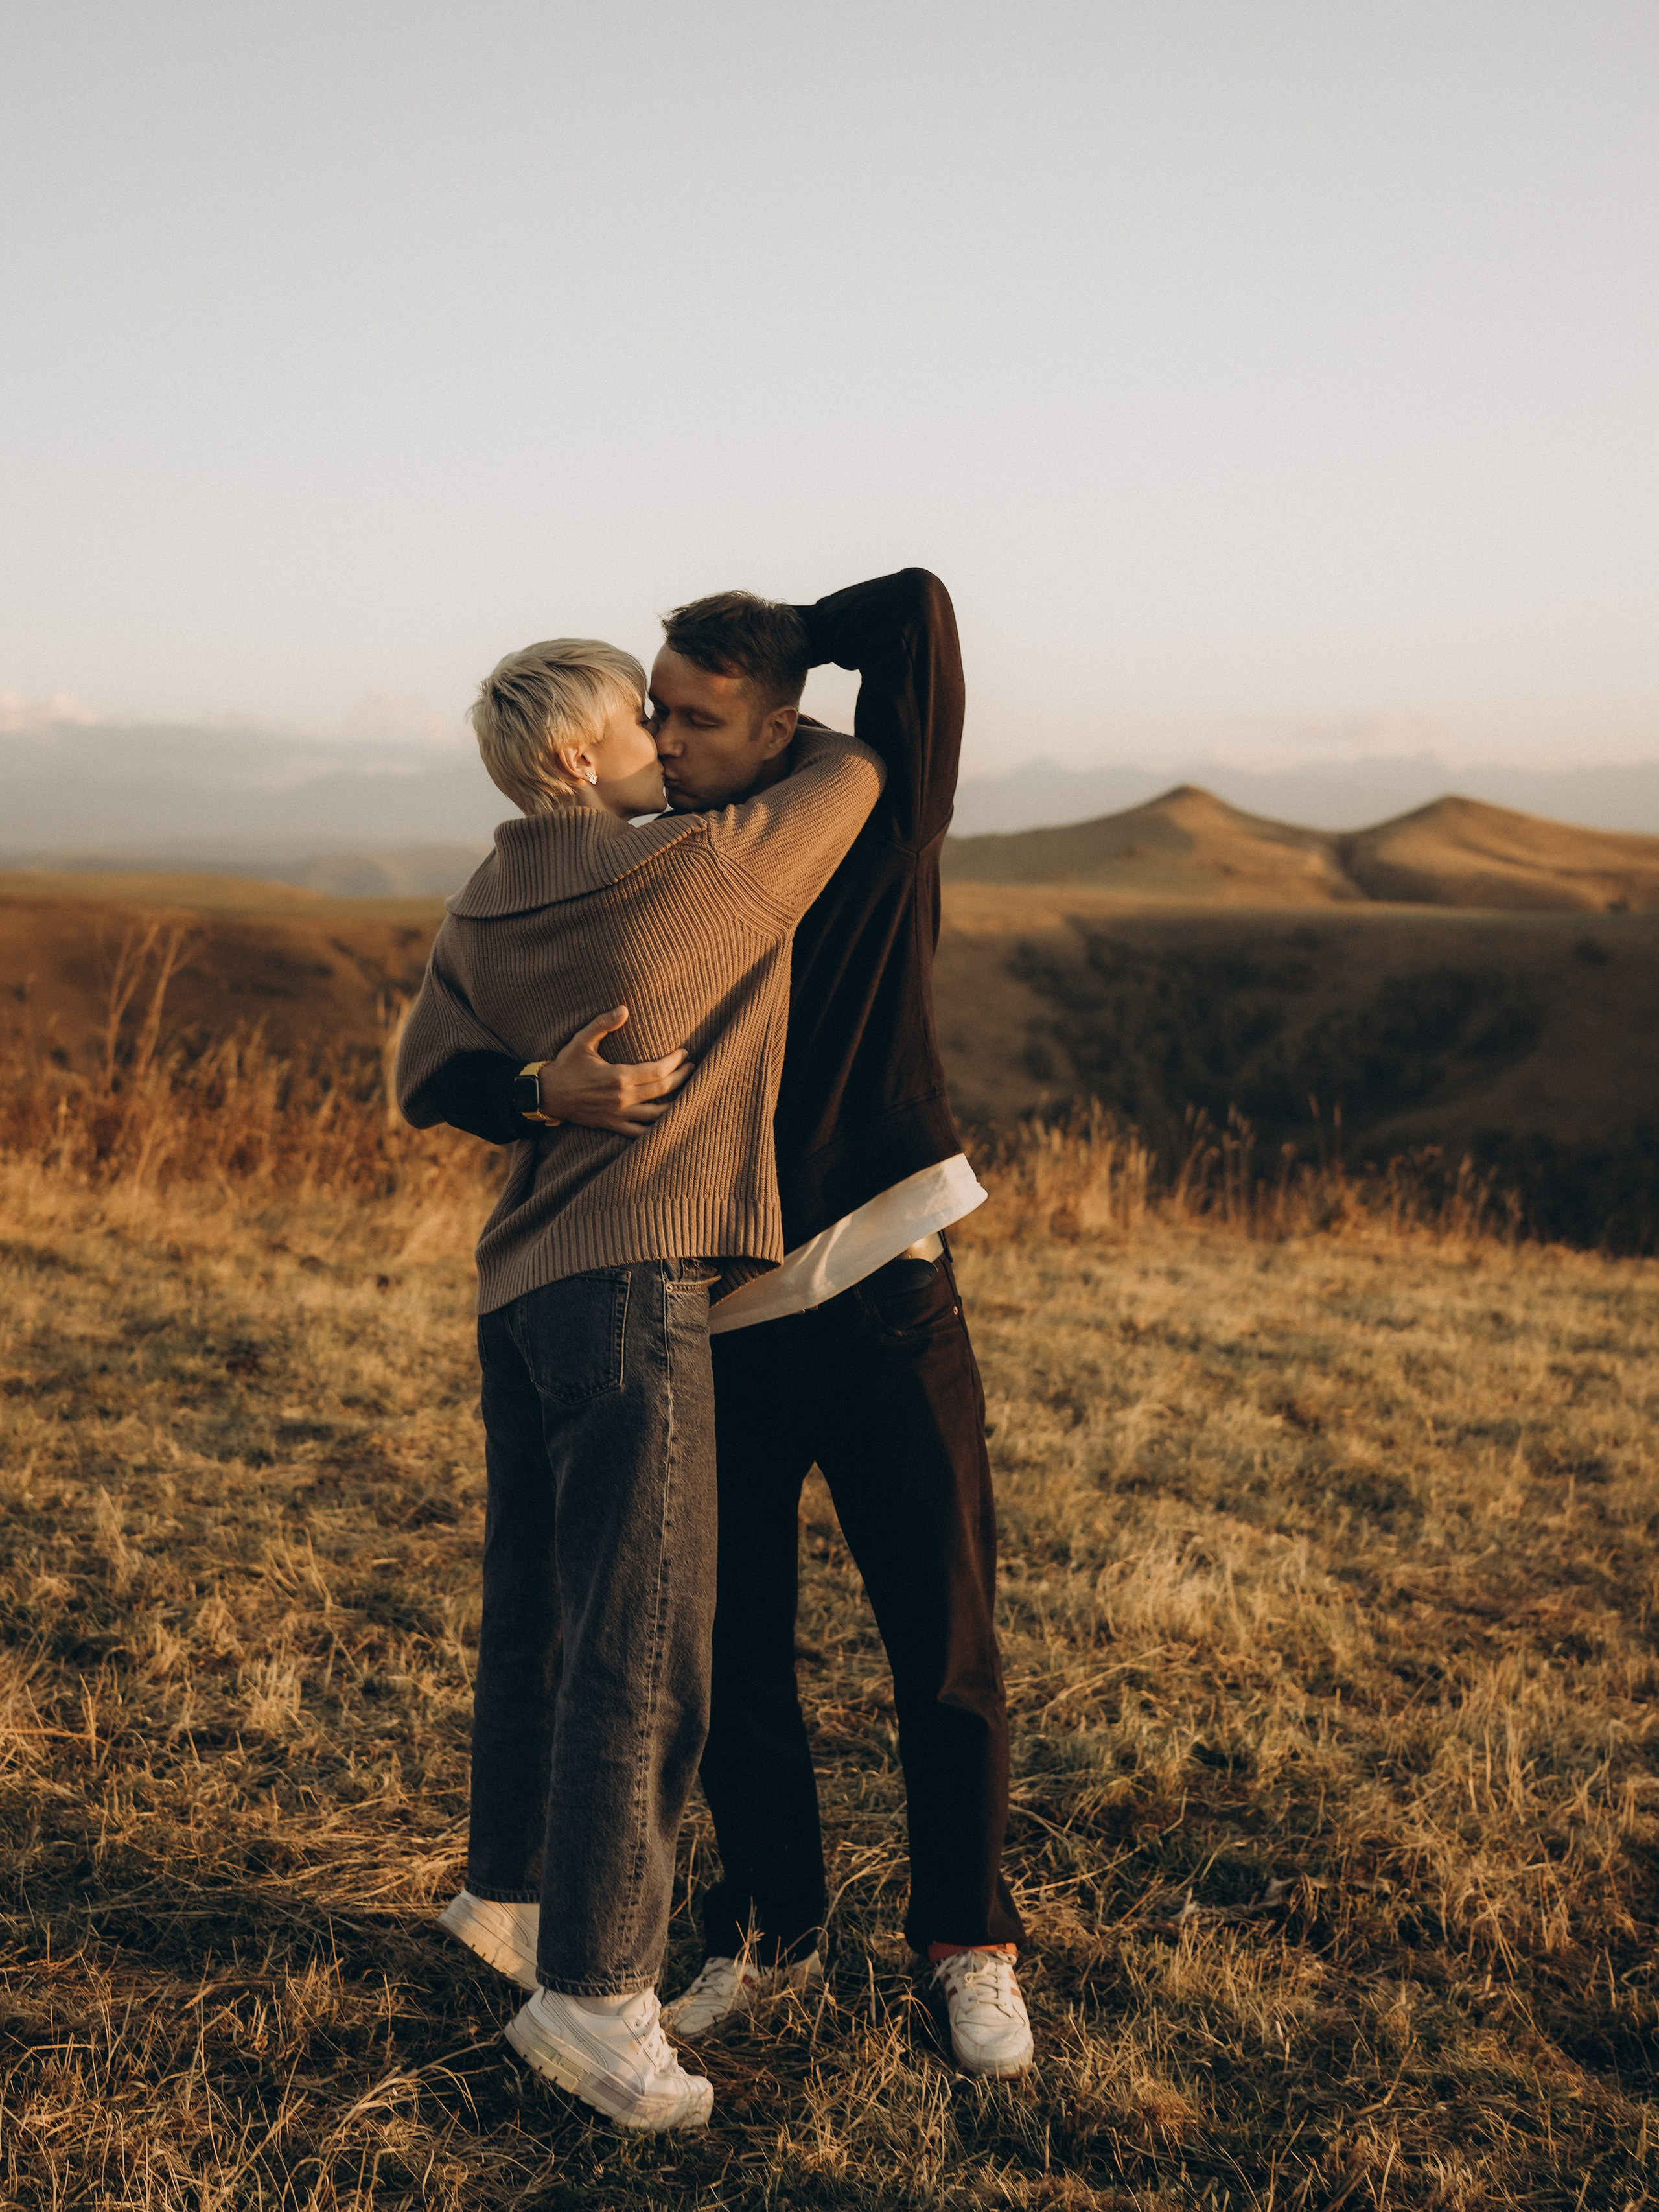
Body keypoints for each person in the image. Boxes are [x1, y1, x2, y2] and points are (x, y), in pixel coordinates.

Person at [431, 572, 1034, 2080]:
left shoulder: (868, 820)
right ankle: (766, 1926)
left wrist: (778, 643)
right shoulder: (660, 862)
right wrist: (537, 1092)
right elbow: (452, 1054)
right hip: (715, 1309)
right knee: (733, 1654)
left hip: (884, 1286)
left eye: (696, 717)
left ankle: (966, 1944)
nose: (667, 739)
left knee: (942, 1639)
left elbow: (918, 618)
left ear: (778, 725)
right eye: (653, 713)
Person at [395, 634, 882, 2132]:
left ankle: (511, 1891)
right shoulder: (696, 871)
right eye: (640, 721)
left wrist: (534, 1091)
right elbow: (851, 769)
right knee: (643, 1641)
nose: (667, 744)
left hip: (519, 1285)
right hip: (629, 1282)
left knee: (540, 1606)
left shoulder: (486, 898)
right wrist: (772, 658)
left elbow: (425, 1074)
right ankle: (597, 1999)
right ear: (571, 758)